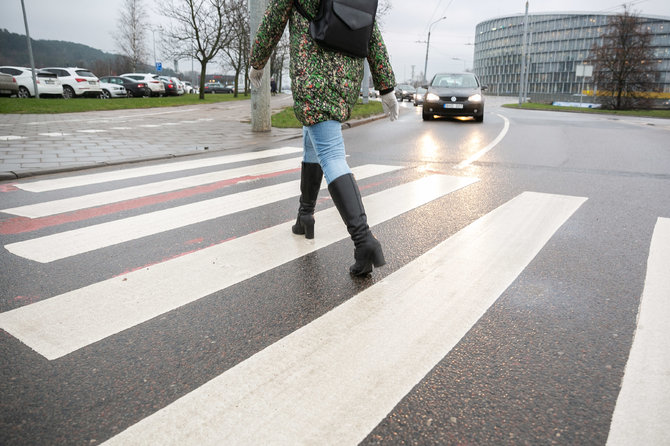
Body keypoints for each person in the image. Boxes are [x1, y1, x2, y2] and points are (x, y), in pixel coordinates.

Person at [249, 0, 399, 276]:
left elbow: (272, 21)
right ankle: (305, 215)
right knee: (312, 139)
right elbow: (371, 31)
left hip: (313, 74)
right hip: (346, 76)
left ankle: (363, 240)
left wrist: (257, 63)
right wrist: (385, 85)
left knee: (331, 154)